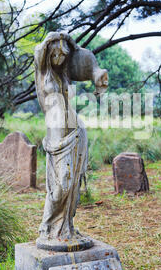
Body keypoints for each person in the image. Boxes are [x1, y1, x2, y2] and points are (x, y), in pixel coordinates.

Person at [34, 31, 108, 251]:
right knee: (60, 185)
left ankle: (66, 228)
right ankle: (47, 228)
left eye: (63, 56)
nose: (59, 59)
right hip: (57, 139)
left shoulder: (64, 72)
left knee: (72, 187)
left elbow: (84, 63)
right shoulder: (43, 71)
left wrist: (97, 74)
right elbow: (40, 50)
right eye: (55, 55)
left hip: (75, 133)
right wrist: (58, 38)